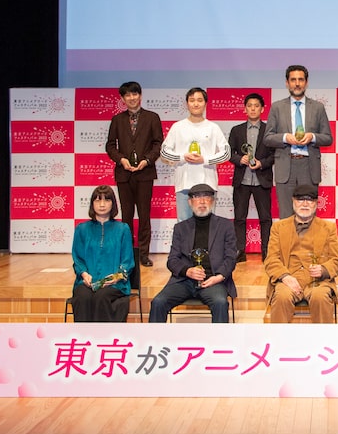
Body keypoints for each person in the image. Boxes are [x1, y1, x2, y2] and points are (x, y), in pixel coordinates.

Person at [149, 184, 237, 323]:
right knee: (158, 302)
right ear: (190, 202)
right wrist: (187, 271)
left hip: (213, 281)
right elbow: (172, 260)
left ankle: (220, 338)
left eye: (206, 197)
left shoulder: (226, 226)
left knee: (220, 302)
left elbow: (231, 258)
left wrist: (218, 277)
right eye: (197, 197)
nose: (202, 201)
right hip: (184, 281)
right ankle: (154, 337)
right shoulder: (180, 228)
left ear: (213, 201)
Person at [105, 81, 163, 267]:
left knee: (144, 215)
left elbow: (158, 144)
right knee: (126, 216)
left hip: (145, 173)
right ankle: (127, 254)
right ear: (122, 99)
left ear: (140, 95)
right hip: (124, 174)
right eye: (127, 95)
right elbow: (110, 145)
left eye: (135, 94)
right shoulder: (117, 120)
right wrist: (121, 159)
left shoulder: (152, 117)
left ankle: (144, 254)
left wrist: (147, 160)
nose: (132, 98)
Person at [265, 185, 338, 323]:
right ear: (293, 201)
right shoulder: (278, 227)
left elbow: (336, 262)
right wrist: (285, 276)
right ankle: (279, 337)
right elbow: (271, 259)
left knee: (320, 297)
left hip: (318, 282)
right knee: (281, 296)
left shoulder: (329, 228)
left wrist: (323, 269)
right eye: (300, 200)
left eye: (310, 200)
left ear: (316, 203)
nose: (305, 204)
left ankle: (324, 337)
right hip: (288, 278)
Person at [264, 65, 333, 219]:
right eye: (293, 80)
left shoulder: (318, 108)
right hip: (285, 167)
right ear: (287, 83)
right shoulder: (277, 107)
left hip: (308, 167)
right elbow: (267, 138)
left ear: (306, 83)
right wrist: (285, 138)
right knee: (286, 215)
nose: (297, 84)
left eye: (301, 80)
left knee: (308, 215)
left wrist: (312, 137)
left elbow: (328, 138)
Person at [160, 87, 230, 222]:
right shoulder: (178, 127)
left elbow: (226, 153)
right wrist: (182, 157)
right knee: (184, 224)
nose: (196, 104)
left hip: (207, 184)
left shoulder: (213, 127)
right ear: (187, 104)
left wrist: (205, 159)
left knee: (207, 225)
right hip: (184, 185)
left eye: (199, 100)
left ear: (205, 103)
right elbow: (164, 152)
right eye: (192, 100)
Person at [71, 185, 135, 322]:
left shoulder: (123, 229)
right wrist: (84, 274)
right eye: (98, 200)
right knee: (82, 297)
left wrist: (116, 277)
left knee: (101, 296)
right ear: (92, 204)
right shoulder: (82, 229)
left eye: (107, 200)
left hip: (115, 283)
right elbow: (78, 259)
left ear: (113, 204)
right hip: (87, 282)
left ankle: (103, 335)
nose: (102, 204)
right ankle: (82, 334)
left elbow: (127, 261)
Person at [228, 93, 274, 262]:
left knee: (265, 218)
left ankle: (266, 251)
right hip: (242, 180)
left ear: (262, 109)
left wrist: (262, 163)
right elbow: (228, 153)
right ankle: (239, 251)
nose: (253, 109)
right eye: (249, 106)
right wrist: (239, 159)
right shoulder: (236, 130)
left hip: (262, 179)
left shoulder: (269, 130)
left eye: (256, 106)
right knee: (240, 217)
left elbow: (275, 155)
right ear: (245, 109)